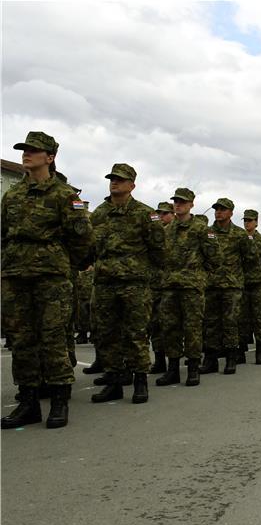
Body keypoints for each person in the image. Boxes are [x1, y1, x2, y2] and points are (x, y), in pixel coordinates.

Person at [1, 132, 93, 429]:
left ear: (50, 157)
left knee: (53, 338)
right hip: (15, 276)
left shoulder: (65, 195)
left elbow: (81, 240)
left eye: (33, 150)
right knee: (22, 340)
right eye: (24, 150)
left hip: (51, 278)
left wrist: (63, 265)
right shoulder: (12, 195)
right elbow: (3, 235)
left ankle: (59, 401)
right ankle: (28, 401)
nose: (26, 154)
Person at [89, 163, 165, 404]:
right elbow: (91, 248)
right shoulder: (99, 213)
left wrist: (145, 275)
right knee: (107, 334)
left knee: (136, 333)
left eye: (120, 179)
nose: (114, 182)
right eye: (112, 178)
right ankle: (113, 381)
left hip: (135, 284)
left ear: (132, 185)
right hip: (105, 283)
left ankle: (140, 380)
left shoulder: (146, 214)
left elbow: (159, 250)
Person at [158, 188, 219, 386]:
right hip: (169, 287)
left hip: (192, 287)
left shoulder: (202, 229)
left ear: (191, 204)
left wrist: (199, 277)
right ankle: (173, 369)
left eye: (183, 202)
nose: (178, 205)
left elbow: (215, 258)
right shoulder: (167, 230)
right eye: (176, 201)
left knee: (192, 327)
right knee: (170, 328)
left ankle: (193, 368)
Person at [200, 198, 251, 375]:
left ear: (230, 212)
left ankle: (231, 357)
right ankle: (211, 359)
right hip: (211, 285)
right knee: (210, 323)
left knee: (230, 322)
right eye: (216, 209)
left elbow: (249, 259)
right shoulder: (206, 232)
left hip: (231, 285)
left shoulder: (239, 234)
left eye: (222, 209)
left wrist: (238, 277)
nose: (218, 212)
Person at [148, 201, 175, 374]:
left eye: (165, 213)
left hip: (171, 286)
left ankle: (173, 362)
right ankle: (159, 360)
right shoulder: (155, 232)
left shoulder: (175, 232)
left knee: (171, 326)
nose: (162, 216)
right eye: (159, 213)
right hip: (154, 285)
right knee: (154, 326)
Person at [239, 209, 261, 363]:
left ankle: (260, 351)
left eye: (250, 220)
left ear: (256, 222)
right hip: (243, 283)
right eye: (245, 220)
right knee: (242, 318)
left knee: (259, 318)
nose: (247, 223)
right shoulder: (239, 238)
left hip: (258, 284)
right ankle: (241, 351)